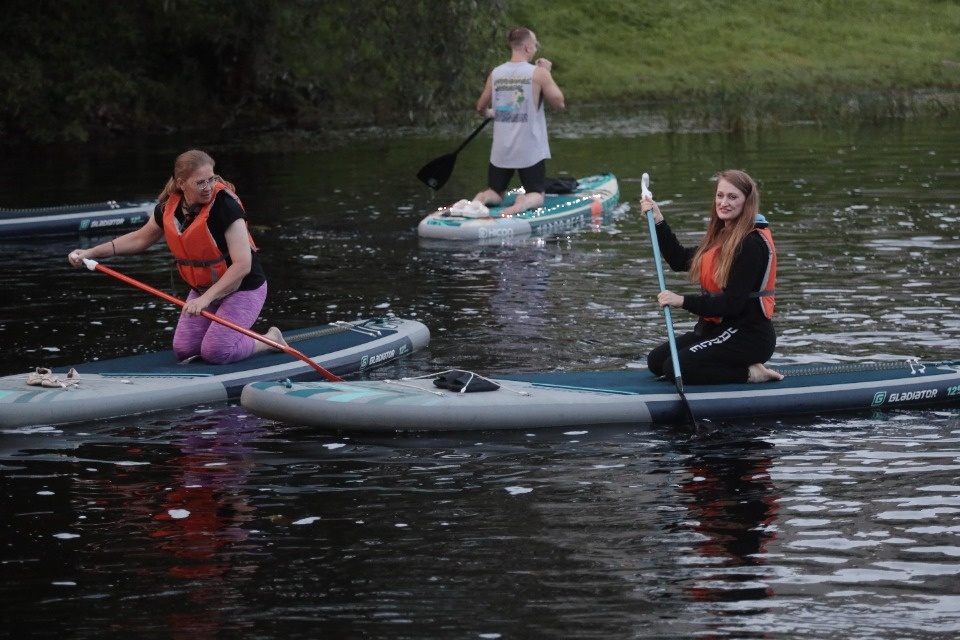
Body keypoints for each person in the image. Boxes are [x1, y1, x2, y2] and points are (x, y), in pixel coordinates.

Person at [68, 149, 286, 365]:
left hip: (243, 288)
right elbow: (139, 239)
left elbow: (242, 265)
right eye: (200, 182)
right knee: (184, 350)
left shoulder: (226, 206)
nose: (208, 187)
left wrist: (204, 299)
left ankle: (269, 340)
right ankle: (227, 333)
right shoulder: (168, 209)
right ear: (182, 184)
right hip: (205, 289)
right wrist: (91, 252)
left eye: (211, 179)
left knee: (216, 352)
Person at [643, 169, 783, 385]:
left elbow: (731, 305)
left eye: (732, 197)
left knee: (675, 368)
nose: (724, 202)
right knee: (656, 361)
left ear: (747, 202)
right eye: (720, 195)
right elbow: (679, 259)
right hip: (717, 329)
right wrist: (659, 222)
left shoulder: (751, 245)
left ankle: (752, 374)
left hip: (747, 335)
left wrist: (682, 301)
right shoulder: (721, 237)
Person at [472, 26, 565, 217]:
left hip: (501, 149)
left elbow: (480, 107)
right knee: (537, 194)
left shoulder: (496, 73)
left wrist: (491, 113)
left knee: (495, 193)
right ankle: (523, 202)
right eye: (536, 45)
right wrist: (547, 72)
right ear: (528, 48)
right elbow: (559, 103)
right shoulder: (538, 73)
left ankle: (481, 198)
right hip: (529, 149)